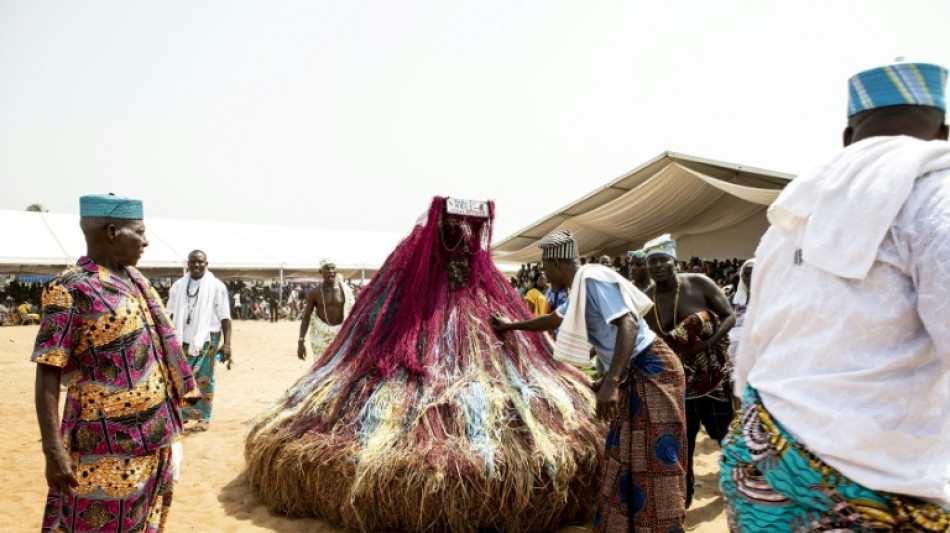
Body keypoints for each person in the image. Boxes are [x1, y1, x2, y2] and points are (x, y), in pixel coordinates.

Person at [721, 62, 950, 531]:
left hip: (759, 464)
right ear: (944, 130)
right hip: (875, 485)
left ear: (847, 136)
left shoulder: (790, 218)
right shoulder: (936, 196)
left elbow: (750, 347)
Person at [493, 229, 687, 532]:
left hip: (652, 369)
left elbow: (628, 323)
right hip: (631, 374)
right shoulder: (579, 290)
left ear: (556, 264)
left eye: (544, 265)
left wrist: (611, 381)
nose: (543, 273)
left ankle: (663, 526)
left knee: (653, 457)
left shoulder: (592, 277)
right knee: (623, 453)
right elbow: (552, 320)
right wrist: (511, 326)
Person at [32, 193, 199, 532]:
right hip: (102, 450)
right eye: (139, 232)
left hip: (154, 441)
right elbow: (47, 373)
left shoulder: (137, 281)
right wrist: (53, 451)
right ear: (112, 232)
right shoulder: (71, 289)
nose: (146, 241)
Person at [641, 234, 735, 508]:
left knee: (724, 435)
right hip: (679, 383)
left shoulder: (698, 283)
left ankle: (736, 488)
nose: (658, 266)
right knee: (685, 443)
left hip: (714, 377)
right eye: (653, 262)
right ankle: (685, 499)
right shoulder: (647, 300)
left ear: (674, 262)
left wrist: (708, 343)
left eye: (663, 261)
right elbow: (648, 341)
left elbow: (729, 315)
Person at [166, 250, 232, 431]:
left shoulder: (217, 287)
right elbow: (169, 314)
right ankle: (184, 416)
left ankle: (204, 419)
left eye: (200, 262)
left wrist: (227, 344)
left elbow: (225, 317)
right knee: (183, 378)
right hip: (181, 339)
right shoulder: (178, 287)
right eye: (192, 262)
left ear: (206, 264)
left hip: (208, 339)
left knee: (204, 378)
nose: (196, 265)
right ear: (188, 264)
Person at [297, 258, 355, 360]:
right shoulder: (314, 292)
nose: (331, 271)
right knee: (321, 371)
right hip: (321, 339)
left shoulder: (346, 291)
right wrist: (301, 341)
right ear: (321, 272)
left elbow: (355, 314)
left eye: (333, 268)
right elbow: (306, 318)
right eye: (327, 268)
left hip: (342, 337)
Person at [725, 258, 754, 366]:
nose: (748, 278)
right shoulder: (738, 298)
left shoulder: (770, 297)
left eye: (752, 274)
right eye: (745, 275)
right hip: (735, 350)